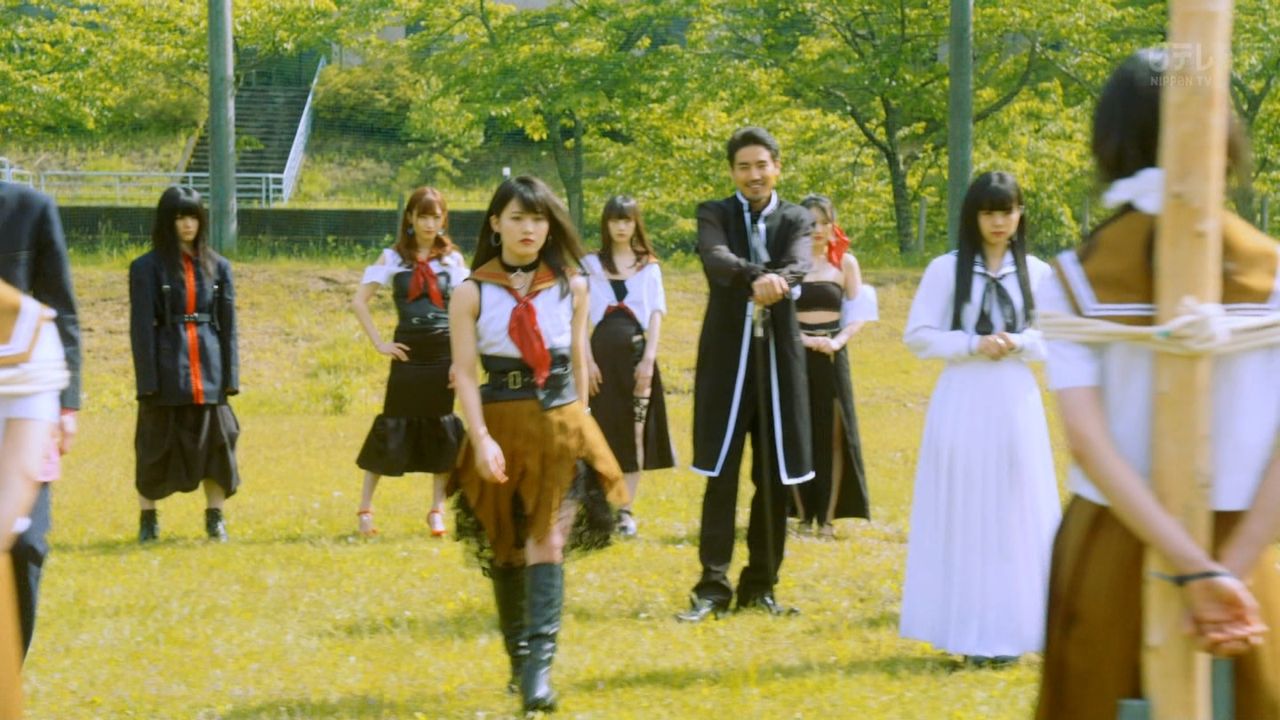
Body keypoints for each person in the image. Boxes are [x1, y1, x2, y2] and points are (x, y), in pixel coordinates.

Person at [1035, 50, 1280, 718]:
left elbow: (1089, 442)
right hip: (1243, 548)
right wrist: (1227, 568)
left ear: (1112, 137)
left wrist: (1193, 568)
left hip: (1117, 539)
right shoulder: (1273, 271)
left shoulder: (1073, 276)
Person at [448, 175, 626, 713]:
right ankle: (518, 659)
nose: (529, 228)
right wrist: (480, 439)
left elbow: (578, 360)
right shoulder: (471, 291)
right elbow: (463, 373)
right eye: (518, 218)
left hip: (559, 425)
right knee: (506, 547)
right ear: (495, 224)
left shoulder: (572, 286)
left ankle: (538, 675)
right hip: (500, 425)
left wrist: (583, 428)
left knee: (547, 542)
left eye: (538, 218)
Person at [898, 171, 1060, 666]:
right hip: (963, 395)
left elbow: (1056, 337)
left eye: (1006, 211)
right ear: (973, 217)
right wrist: (971, 343)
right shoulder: (946, 269)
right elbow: (918, 335)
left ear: (1020, 214)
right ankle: (966, 633)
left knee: (1014, 507)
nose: (998, 222)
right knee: (965, 507)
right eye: (988, 213)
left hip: (1014, 398)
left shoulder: (1037, 272)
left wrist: (1019, 342)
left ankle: (1013, 631)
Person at [678, 126, 814, 623]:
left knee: (773, 477)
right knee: (721, 472)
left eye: (762, 165)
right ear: (732, 172)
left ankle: (761, 585)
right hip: (727, 360)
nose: (754, 175)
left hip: (778, 360)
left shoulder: (796, 217)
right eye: (744, 167)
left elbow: (800, 262)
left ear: (777, 166)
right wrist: (758, 277)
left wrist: (778, 279)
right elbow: (716, 258)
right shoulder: (713, 212)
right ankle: (712, 587)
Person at [352, 187, 467, 537]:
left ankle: (436, 510)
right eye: (423, 216)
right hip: (407, 354)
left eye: (436, 217)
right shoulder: (392, 258)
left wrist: (460, 361)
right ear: (410, 218)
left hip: (442, 355)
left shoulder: (452, 261)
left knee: (442, 427)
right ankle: (365, 509)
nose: (430, 224)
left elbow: (466, 311)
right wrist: (380, 343)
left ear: (444, 220)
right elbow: (359, 302)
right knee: (392, 423)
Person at [129, 186, 239, 543]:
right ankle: (148, 520)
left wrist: (230, 377)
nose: (187, 224)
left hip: (208, 371)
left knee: (219, 446)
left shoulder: (219, 266)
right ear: (167, 221)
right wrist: (147, 382)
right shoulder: (145, 268)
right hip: (166, 370)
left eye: (192, 216)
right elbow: (141, 329)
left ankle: (215, 519)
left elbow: (229, 327)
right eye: (179, 217)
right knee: (152, 447)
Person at [0, 181, 80, 659]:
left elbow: (60, 309)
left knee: (25, 545)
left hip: (23, 403)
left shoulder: (30, 209)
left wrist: (65, 405)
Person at [582, 195, 675, 538]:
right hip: (599, 360)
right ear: (606, 224)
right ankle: (596, 506)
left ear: (636, 224)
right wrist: (586, 361)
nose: (621, 227)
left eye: (627, 220)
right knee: (599, 430)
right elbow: (579, 317)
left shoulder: (649, 266)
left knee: (635, 432)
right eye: (615, 220)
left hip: (636, 359)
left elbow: (656, 315)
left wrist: (648, 361)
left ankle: (625, 510)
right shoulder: (590, 264)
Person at [789, 194, 873, 540]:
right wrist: (803, 340)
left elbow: (859, 313)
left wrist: (836, 342)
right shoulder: (790, 262)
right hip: (796, 356)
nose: (818, 229)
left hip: (833, 356)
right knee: (798, 433)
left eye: (824, 222)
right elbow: (779, 314)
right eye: (811, 223)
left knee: (835, 435)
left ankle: (826, 518)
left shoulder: (845, 264)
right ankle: (801, 515)